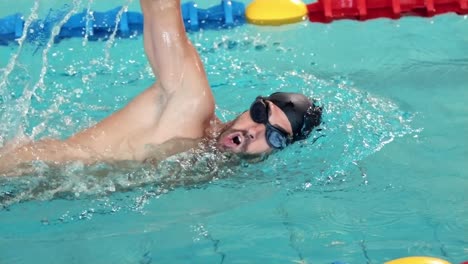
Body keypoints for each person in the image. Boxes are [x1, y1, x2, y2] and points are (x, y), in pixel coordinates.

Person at [0, 0, 322, 177]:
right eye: (259, 112)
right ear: (250, 105)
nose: (254, 131)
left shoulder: (208, 165)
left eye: (275, 136)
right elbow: (162, 8)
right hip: (14, 171)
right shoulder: (189, 102)